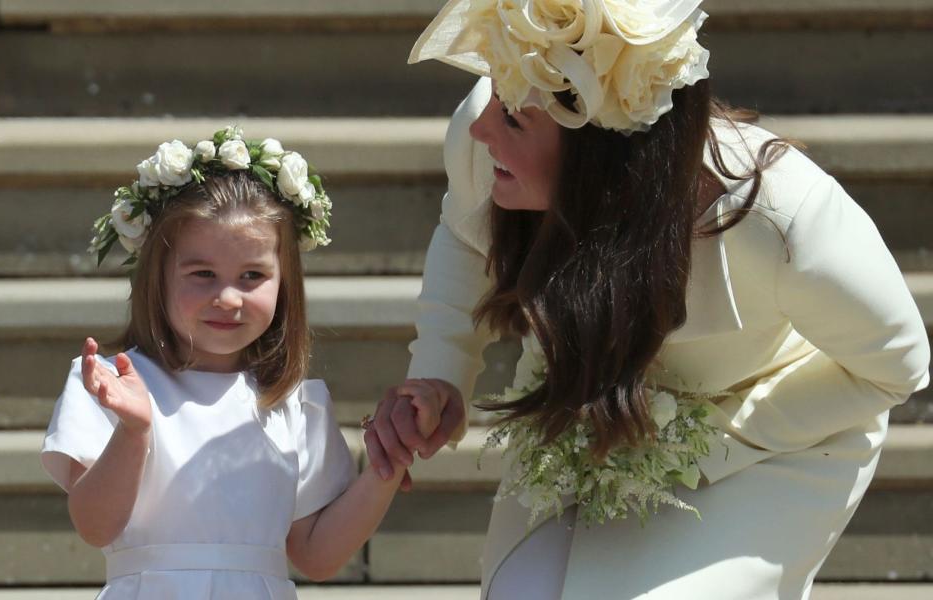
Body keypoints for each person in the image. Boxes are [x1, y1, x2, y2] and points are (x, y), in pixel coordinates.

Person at [364, 1, 931, 599]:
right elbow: (464, 235)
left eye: (512, 119)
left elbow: (898, 368)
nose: (482, 130)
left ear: (600, 156)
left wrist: (704, 441)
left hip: (775, 435)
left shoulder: (786, 221)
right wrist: (439, 376)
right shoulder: (487, 135)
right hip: (588, 406)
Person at [40, 127, 442, 599]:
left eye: (252, 276)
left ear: (284, 282)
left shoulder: (295, 403)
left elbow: (317, 554)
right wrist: (133, 432)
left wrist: (387, 463)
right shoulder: (115, 384)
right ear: (158, 276)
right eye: (202, 274)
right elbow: (95, 526)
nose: (227, 298)